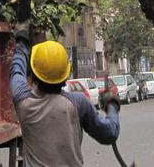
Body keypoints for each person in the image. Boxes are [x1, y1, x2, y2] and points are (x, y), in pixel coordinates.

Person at [10, 22, 120, 166]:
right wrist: (112, 106)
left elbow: (16, 70)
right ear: (65, 75)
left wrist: (22, 45)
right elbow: (109, 134)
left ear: (34, 74)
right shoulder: (78, 103)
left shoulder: (23, 101)